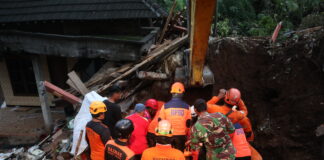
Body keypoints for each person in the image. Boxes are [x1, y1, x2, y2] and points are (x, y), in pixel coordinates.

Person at [159, 82, 191, 152]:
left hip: (168, 135)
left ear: (172, 93)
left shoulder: (165, 106)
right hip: (181, 136)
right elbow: (188, 124)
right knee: (179, 155)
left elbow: (160, 121)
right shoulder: (187, 107)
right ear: (182, 93)